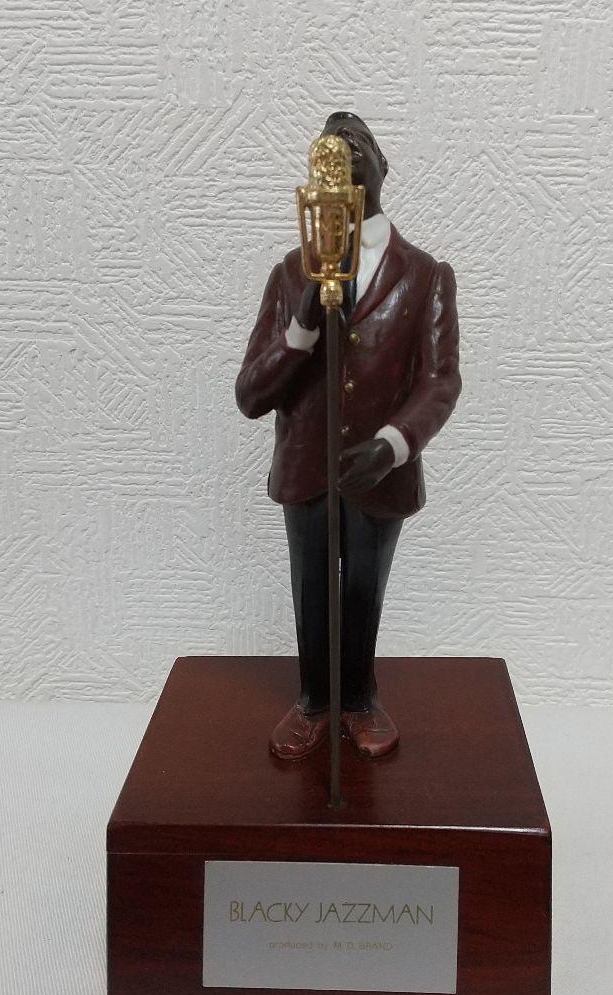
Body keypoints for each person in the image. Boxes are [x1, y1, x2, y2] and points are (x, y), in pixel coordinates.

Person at [235, 111, 461, 761]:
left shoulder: (426, 276)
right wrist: (303, 326)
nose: (345, 156)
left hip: (379, 469)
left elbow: (440, 381)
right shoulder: (290, 275)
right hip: (307, 466)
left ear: (384, 166)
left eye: (359, 146)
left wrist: (393, 443)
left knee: (363, 587)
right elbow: (251, 395)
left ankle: (359, 699)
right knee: (311, 588)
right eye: (332, 151)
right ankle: (313, 701)